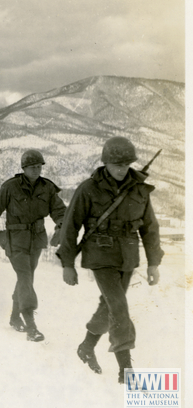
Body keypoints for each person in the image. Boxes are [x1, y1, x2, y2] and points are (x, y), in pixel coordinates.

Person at [56, 137, 163, 383]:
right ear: (105, 163)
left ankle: (86, 346)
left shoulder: (139, 189)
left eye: (126, 164)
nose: (121, 169)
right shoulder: (88, 188)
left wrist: (154, 263)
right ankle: (125, 370)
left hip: (128, 256)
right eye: (116, 164)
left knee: (109, 307)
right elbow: (70, 227)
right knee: (118, 307)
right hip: (100, 255)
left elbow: (150, 227)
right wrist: (67, 264)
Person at [0, 150, 66, 342]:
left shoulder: (47, 187)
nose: (36, 170)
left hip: (37, 240)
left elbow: (59, 210)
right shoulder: (10, 187)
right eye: (32, 167)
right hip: (15, 240)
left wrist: (61, 225)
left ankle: (15, 317)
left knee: (26, 277)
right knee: (25, 276)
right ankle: (31, 326)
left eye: (39, 167)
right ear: (23, 168)